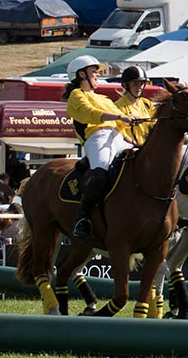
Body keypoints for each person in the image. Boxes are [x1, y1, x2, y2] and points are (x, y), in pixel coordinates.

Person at [64, 56, 152, 237]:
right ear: (82, 74)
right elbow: (90, 114)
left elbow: (120, 126)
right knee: (100, 171)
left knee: (144, 165)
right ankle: (82, 217)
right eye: (94, 72)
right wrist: (119, 117)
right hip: (96, 137)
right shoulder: (76, 95)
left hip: (117, 136)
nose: (97, 75)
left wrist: (135, 143)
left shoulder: (104, 98)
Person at [115, 66, 157, 145]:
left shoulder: (147, 104)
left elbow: (155, 126)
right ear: (126, 85)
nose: (139, 87)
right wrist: (133, 143)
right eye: (135, 84)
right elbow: (119, 131)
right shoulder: (118, 106)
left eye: (141, 84)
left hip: (147, 148)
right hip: (128, 149)